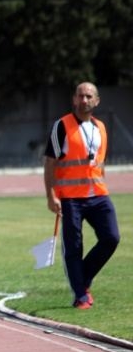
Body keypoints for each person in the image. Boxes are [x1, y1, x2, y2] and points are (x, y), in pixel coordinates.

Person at [43, 82, 120, 309]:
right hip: (70, 198)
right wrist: (51, 196)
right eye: (80, 96)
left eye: (88, 96)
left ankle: (82, 278)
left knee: (111, 237)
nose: (83, 100)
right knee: (74, 246)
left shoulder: (101, 128)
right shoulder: (62, 126)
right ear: (74, 99)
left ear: (96, 101)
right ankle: (80, 296)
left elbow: (99, 162)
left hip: (98, 195)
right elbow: (49, 162)